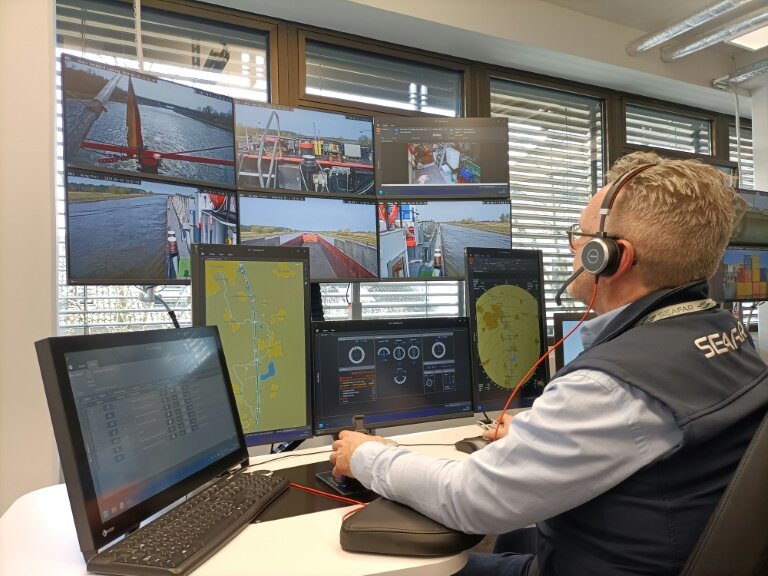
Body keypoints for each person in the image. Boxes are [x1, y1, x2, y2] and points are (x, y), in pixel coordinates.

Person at [329, 151, 768, 576]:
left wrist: (367, 455)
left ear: (611, 257)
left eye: (580, 236)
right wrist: (535, 435)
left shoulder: (608, 386)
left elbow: (469, 499)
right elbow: (649, 440)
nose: (575, 247)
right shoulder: (726, 334)